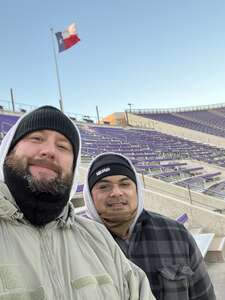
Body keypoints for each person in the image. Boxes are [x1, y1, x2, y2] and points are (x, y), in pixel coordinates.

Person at [0, 106, 155, 300]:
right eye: (36, 138)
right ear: (8, 152)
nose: (49, 151)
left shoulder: (98, 238)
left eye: (63, 146)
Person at [83, 152, 216, 300]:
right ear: (90, 196)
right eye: (104, 186)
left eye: (125, 184)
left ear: (137, 190)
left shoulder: (177, 234)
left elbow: (204, 296)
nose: (116, 192)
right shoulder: (75, 241)